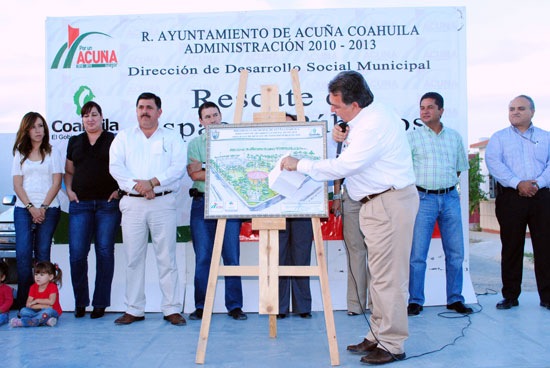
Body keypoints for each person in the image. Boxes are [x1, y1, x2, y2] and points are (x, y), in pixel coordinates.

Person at [281, 71, 418, 365]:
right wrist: (339, 133)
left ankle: (392, 343)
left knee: (388, 278)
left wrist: (299, 165)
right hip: (375, 202)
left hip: (388, 202)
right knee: (379, 275)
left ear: (355, 104)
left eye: (337, 105)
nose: (332, 110)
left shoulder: (374, 124)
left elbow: (347, 165)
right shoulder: (367, 116)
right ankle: (378, 334)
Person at [109, 92, 187, 326]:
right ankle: (134, 309)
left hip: (163, 202)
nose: (145, 111)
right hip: (133, 203)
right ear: (136, 111)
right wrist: (140, 186)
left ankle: (171, 308)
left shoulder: (172, 138)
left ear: (159, 112)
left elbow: (178, 168)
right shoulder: (124, 137)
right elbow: (115, 167)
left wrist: (152, 182)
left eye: (150, 107)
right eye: (141, 107)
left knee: (167, 257)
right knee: (133, 258)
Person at [407, 92, 472, 316]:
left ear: (441, 111)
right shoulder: (412, 137)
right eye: (422, 107)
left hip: (450, 198)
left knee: (455, 253)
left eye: (430, 107)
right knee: (417, 254)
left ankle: (455, 299)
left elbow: (458, 168)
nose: (425, 111)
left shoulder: (454, 137)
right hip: (423, 199)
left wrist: (445, 188)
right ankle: (415, 300)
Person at [485, 95, 550, 311]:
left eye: (521, 108)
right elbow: (494, 163)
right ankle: (510, 296)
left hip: (541, 196)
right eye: (511, 108)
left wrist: (536, 184)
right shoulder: (499, 138)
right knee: (511, 247)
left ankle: (547, 297)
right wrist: (517, 183)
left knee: (545, 247)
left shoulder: (545, 137)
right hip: (511, 197)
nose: (515, 112)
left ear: (532, 111)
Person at [186, 101, 246, 321]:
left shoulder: (234, 140)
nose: (212, 120)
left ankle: (235, 306)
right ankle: (202, 306)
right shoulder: (195, 144)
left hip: (229, 204)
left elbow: (240, 170)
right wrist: (224, 169)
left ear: (221, 116)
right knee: (203, 257)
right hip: (202, 203)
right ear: (201, 122)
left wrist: (206, 166)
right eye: (207, 117)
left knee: (232, 257)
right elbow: (194, 175)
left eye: (215, 115)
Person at [65, 101, 121, 319]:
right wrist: (68, 191)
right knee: (77, 254)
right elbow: (68, 171)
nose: (90, 119)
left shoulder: (113, 140)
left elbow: (123, 166)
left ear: (101, 117)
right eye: (86, 115)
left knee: (105, 252)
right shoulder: (74, 141)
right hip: (80, 205)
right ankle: (80, 302)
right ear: (82, 119)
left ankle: (100, 303)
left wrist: (118, 190)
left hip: (108, 205)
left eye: (94, 115)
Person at [11, 112, 63, 310]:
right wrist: (31, 208)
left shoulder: (53, 152)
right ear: (26, 130)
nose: (38, 130)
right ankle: (25, 301)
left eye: (41, 126)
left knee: (42, 253)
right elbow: (17, 184)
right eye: (33, 127)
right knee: (23, 254)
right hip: (24, 209)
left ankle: (45, 302)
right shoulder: (19, 153)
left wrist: (43, 207)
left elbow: (57, 182)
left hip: (49, 208)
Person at [277, 113, 313, 319]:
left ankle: (303, 307)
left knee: (301, 257)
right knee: (279, 257)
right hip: (278, 207)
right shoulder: (274, 149)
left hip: (303, 207)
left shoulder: (307, 151)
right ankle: (280, 307)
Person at [332, 175, 369, 316]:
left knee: (376, 253)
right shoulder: (345, 150)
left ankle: (377, 305)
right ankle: (356, 305)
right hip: (351, 197)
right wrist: (336, 196)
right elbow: (338, 169)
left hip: (376, 197)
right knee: (355, 252)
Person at [10, 261, 62, 327]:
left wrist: (37, 301)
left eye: (42, 275)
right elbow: (28, 304)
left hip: (52, 312)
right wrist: (43, 306)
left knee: (48, 311)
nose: (38, 277)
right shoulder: (33, 287)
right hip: (37, 311)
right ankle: (45, 321)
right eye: (36, 274)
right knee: (23, 311)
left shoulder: (53, 287)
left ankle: (24, 322)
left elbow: (51, 302)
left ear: (50, 277)